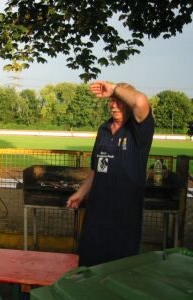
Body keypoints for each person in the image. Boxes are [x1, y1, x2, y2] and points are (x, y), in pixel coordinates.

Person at [66, 80, 154, 267]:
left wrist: (113, 88)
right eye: (112, 101)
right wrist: (80, 194)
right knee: (88, 266)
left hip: (125, 217)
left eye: (119, 101)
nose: (114, 105)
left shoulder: (138, 130)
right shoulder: (104, 129)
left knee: (118, 271)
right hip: (97, 214)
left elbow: (140, 101)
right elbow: (98, 169)